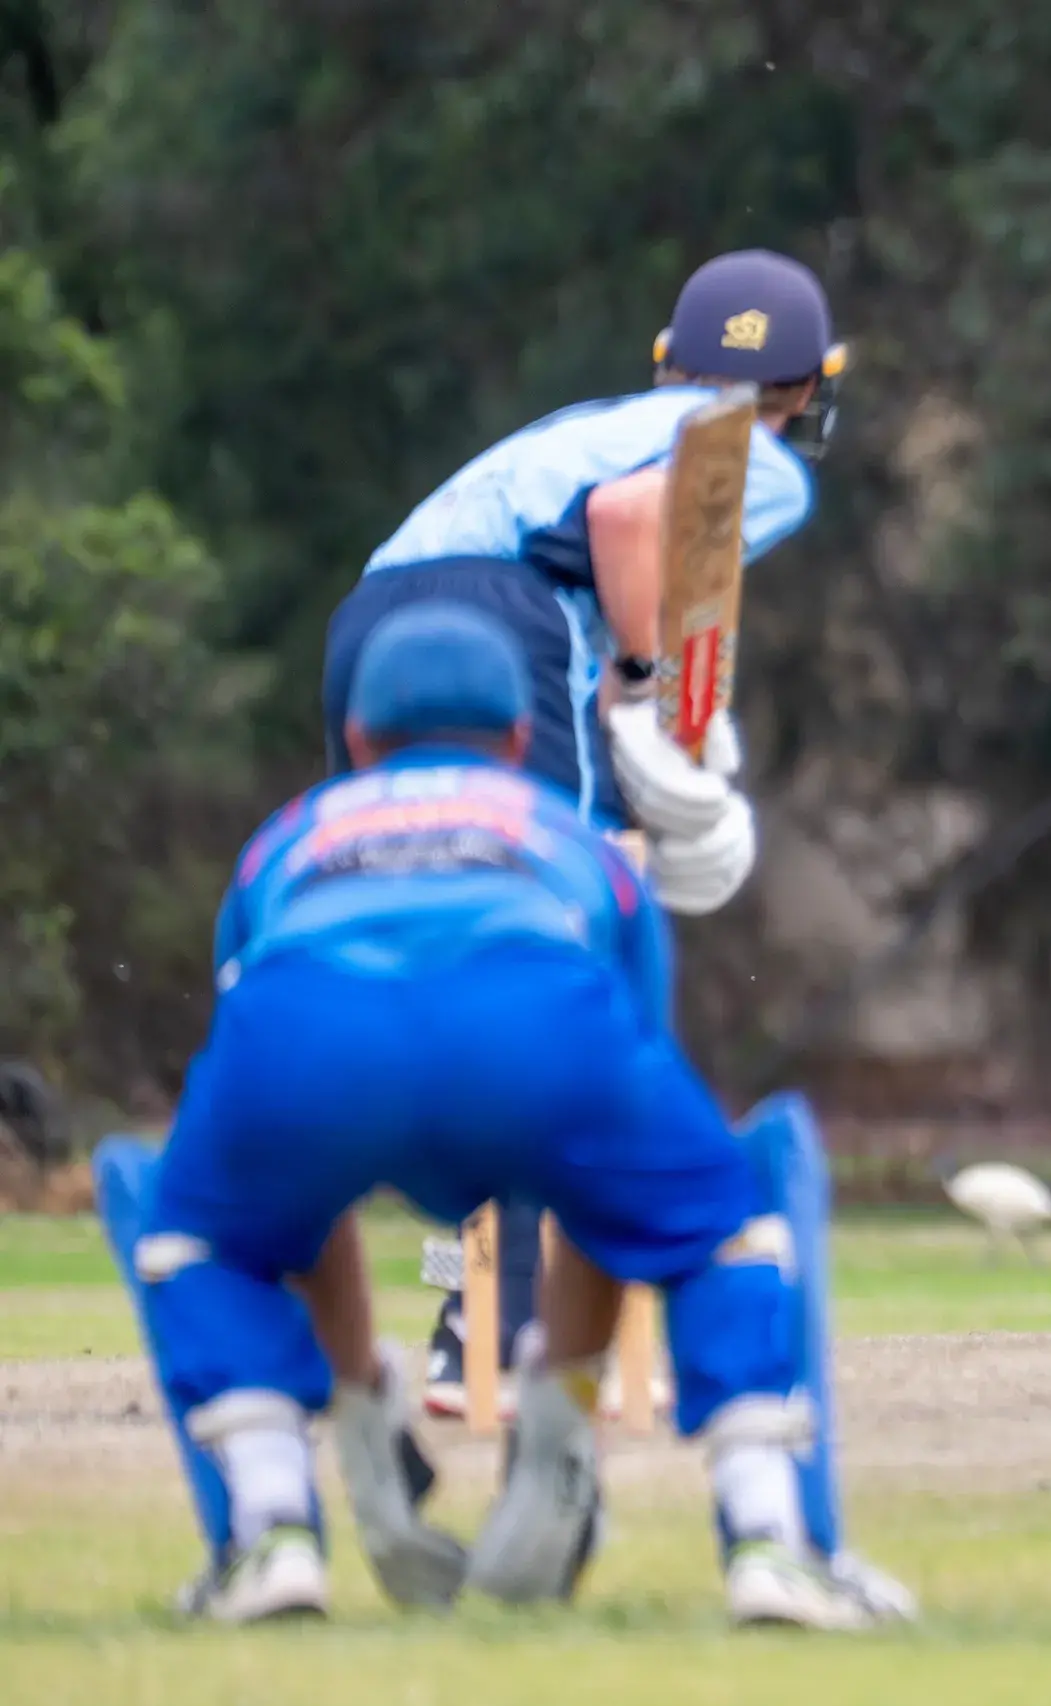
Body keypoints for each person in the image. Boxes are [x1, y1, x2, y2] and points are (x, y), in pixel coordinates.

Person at [91, 604, 911, 1627]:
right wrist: (558, 1424)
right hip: (535, 1011)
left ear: (354, 739)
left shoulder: (284, 841)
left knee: (201, 1235)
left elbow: (286, 1188)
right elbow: (617, 1192)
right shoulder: (572, 835)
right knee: (718, 1229)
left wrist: (359, 1413)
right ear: (523, 742)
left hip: (309, 1020)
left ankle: (269, 1529)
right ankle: (770, 1539)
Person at [322, 248, 847, 1415]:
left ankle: (448, 1301)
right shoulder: (751, 453)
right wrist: (660, 691)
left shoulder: (587, 421)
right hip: (489, 624)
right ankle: (498, 1322)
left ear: (670, 359)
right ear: (807, 387)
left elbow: (595, 566)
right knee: (544, 963)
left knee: (422, 947)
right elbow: (624, 523)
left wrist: (631, 751)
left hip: (372, 620)